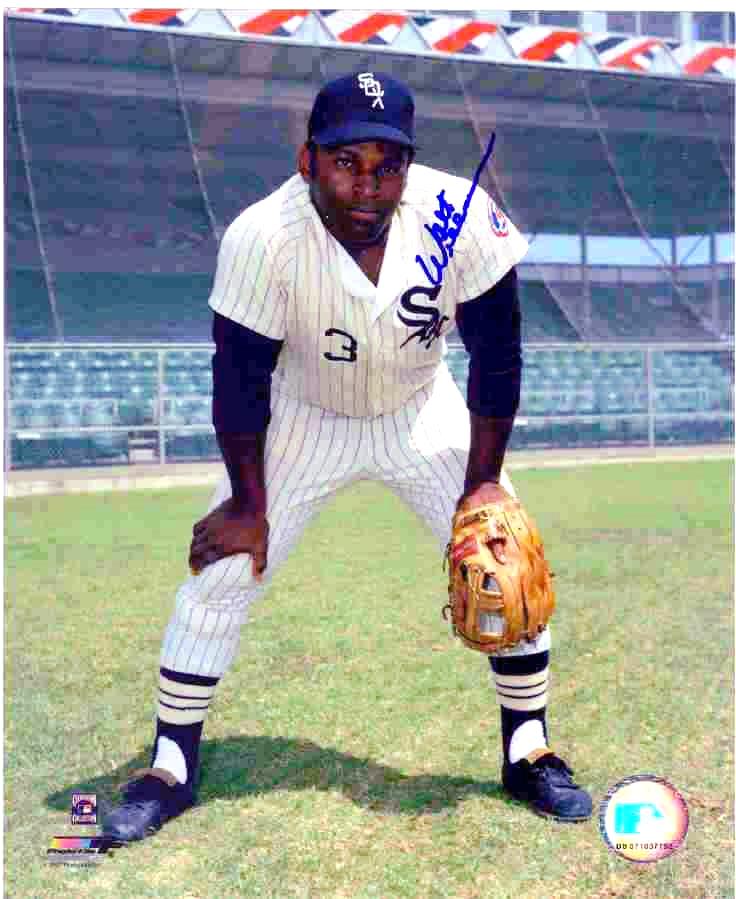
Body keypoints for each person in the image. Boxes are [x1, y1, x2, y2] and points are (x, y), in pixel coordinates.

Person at [103, 71, 592, 842]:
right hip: (305, 415)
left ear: (408, 165)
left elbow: (498, 356)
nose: (367, 186)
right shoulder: (263, 236)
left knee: (504, 557)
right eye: (345, 162)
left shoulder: (460, 216)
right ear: (308, 160)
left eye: (386, 165)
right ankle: (170, 766)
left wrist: (483, 484)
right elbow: (239, 379)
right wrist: (248, 504)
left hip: (420, 409)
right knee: (222, 570)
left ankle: (528, 749)